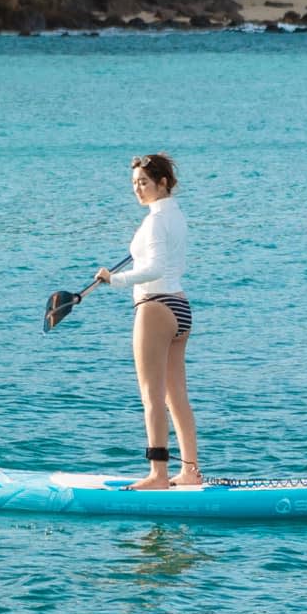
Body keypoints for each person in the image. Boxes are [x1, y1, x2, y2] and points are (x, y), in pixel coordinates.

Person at [94, 154, 200, 489]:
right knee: (175, 395)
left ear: (163, 183)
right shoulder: (176, 216)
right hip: (180, 307)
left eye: (144, 182)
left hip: (155, 307)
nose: (137, 189)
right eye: (134, 184)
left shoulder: (155, 222)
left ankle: (158, 474)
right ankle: (190, 471)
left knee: (151, 395)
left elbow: (153, 269)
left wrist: (115, 279)